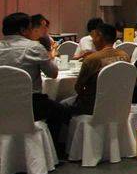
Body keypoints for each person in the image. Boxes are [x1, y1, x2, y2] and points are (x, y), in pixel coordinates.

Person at [0, 12, 70, 153]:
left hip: (2, 105)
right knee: (62, 111)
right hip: (30, 105)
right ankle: (50, 151)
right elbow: (53, 73)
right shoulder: (34, 47)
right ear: (23, 30)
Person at [70, 23, 129, 115]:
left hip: (93, 107)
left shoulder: (92, 59)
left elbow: (78, 87)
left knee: (62, 105)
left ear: (99, 37)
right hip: (119, 105)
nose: (93, 40)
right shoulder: (125, 56)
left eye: (94, 37)